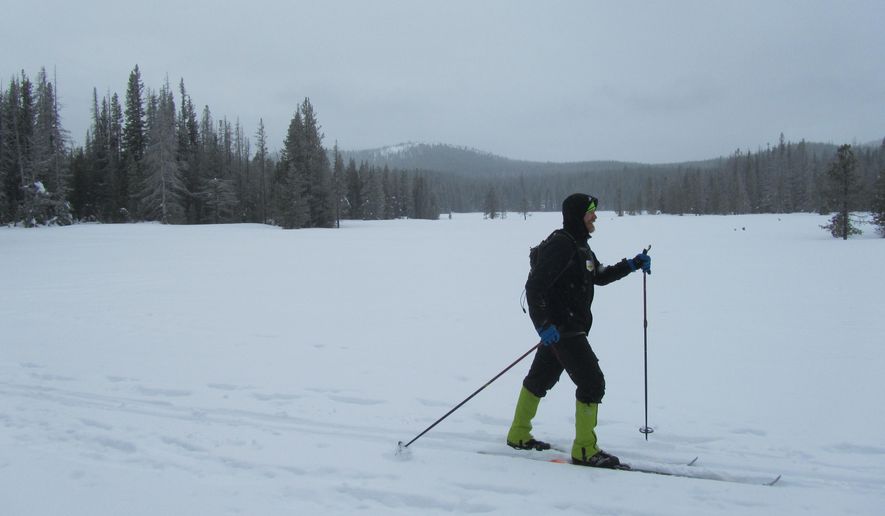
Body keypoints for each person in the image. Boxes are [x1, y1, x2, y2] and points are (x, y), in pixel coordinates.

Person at [506, 193, 651, 468]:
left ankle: (518, 433)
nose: (595, 216)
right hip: (563, 329)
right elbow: (534, 287)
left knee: (539, 380)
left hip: (566, 328)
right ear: (577, 216)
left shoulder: (580, 246)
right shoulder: (562, 245)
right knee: (592, 382)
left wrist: (631, 265)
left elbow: (598, 274)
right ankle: (585, 449)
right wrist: (543, 326)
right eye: (590, 212)